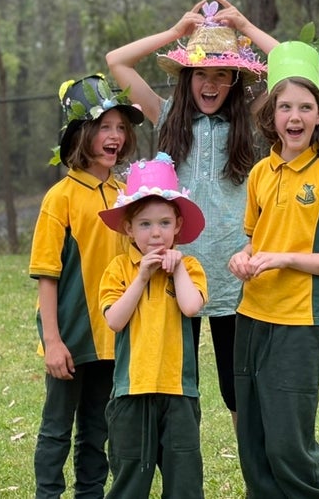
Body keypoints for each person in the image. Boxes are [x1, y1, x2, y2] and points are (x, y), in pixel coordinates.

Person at [106, 0, 277, 427]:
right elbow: (117, 62)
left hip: (232, 274)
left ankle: (252, 471)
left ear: (235, 82)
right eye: (202, 73)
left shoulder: (251, 119)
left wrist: (245, 26)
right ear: (187, 78)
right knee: (180, 383)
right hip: (172, 270)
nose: (212, 83)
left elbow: (295, 67)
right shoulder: (166, 118)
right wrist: (175, 35)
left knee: (237, 389)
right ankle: (182, 463)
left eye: (223, 74)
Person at [228, 40, 319, 498]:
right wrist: (241, 258)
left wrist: (287, 259)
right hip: (251, 315)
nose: (294, 116)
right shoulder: (259, 174)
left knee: (289, 443)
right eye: (284, 106)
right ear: (270, 116)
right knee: (253, 440)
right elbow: (254, 241)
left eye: (305, 107)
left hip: (302, 322)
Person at [29, 74, 143, 499]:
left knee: (99, 427)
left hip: (113, 335)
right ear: (81, 134)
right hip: (70, 337)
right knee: (58, 426)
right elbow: (47, 274)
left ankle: (90, 493)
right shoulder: (60, 197)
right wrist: (53, 341)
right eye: (103, 127)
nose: (114, 137)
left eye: (120, 128)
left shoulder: (126, 194)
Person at [98, 152, 207, 498]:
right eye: (145, 224)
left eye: (164, 223)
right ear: (129, 229)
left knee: (185, 480)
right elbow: (115, 320)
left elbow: (191, 308)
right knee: (130, 478)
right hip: (132, 389)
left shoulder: (188, 267)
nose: (155, 233)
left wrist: (176, 270)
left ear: (177, 226)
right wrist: (142, 277)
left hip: (179, 390)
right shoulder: (119, 269)